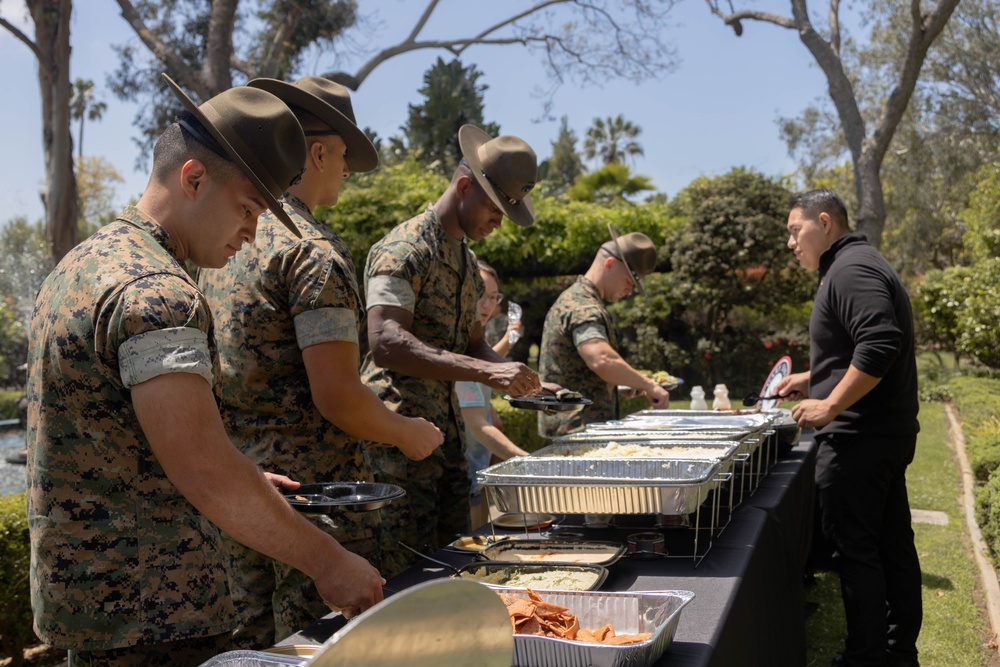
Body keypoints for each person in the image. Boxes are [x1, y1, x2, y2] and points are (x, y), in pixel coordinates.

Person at [25, 76, 385, 667]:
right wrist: (330, 562)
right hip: (154, 615)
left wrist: (245, 478)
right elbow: (202, 467)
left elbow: (119, 440)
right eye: (247, 209)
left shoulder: (81, 265)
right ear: (193, 178)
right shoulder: (159, 292)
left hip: (98, 608)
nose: (252, 233)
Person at [198, 76, 443, 649]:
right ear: (317, 153)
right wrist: (406, 432)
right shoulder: (312, 254)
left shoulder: (224, 245)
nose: (348, 174)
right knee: (324, 651)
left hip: (242, 492)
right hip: (317, 507)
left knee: (254, 651)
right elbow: (338, 398)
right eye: (344, 159)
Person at [361, 124, 542, 577]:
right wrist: (486, 374)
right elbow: (386, 342)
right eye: (497, 209)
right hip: (399, 449)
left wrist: (515, 373)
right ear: (464, 187)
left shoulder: (463, 259)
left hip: (447, 447)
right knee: (404, 582)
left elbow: (473, 343)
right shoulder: (403, 250)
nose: (500, 222)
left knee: (454, 571)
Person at [776, 189, 921, 667]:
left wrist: (830, 405)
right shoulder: (858, 261)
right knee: (891, 544)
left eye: (796, 231)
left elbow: (880, 343)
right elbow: (856, 348)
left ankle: (865, 657)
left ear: (825, 222)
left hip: (860, 437)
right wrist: (811, 378)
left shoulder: (851, 269)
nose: (792, 243)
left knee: (856, 550)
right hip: (881, 434)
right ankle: (898, 653)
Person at [538, 224, 669, 437]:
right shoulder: (583, 306)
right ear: (609, 264)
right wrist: (648, 384)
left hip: (576, 429)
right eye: (629, 281)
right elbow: (601, 359)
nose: (629, 292)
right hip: (578, 433)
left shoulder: (578, 298)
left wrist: (618, 384)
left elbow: (577, 371)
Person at [456, 260, 530, 528]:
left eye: (493, 297)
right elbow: (478, 426)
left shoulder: (473, 339)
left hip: (476, 471)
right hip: (463, 478)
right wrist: (530, 462)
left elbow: (488, 367)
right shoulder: (460, 346)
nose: (487, 304)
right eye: (480, 295)